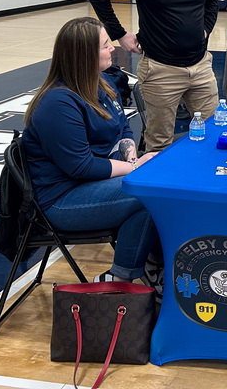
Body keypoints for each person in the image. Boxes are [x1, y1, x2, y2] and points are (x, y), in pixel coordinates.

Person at [22, 17, 159, 284]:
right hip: (60, 200)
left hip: (89, 184)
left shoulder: (102, 84)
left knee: (152, 193)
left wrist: (130, 154)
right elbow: (81, 167)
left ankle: (131, 275)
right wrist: (134, 167)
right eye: (105, 45)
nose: (112, 49)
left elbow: (123, 131)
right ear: (84, 55)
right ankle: (120, 284)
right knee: (149, 192)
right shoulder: (58, 103)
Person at [87, 0, 221, 152]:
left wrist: (206, 28)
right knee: (159, 144)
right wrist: (120, 35)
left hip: (201, 66)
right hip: (161, 71)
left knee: (214, 136)